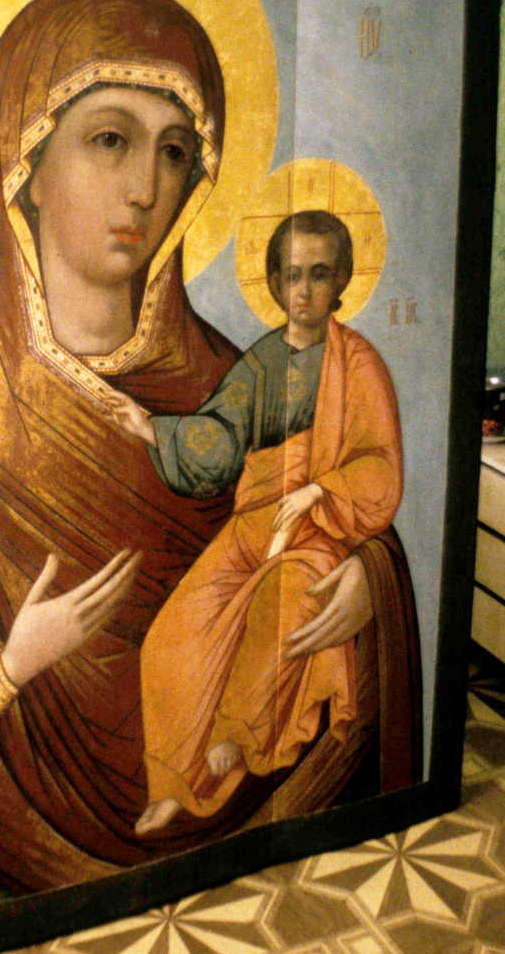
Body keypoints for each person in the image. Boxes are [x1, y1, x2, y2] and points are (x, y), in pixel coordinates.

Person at [0, 0, 422, 943]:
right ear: (26, 164)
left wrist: (371, 577)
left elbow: (335, 493)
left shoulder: (239, 382)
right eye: (110, 138)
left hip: (286, 892)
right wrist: (8, 670)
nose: (145, 188)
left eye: (174, 152)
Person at [112, 211, 403, 833]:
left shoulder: (358, 365)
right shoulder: (263, 360)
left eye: (318, 275)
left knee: (285, 600)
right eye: (292, 275)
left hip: (321, 531)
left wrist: (321, 489)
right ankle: (174, 780)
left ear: (341, 280)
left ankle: (238, 735)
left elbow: (380, 466)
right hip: (254, 527)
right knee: (172, 636)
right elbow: (221, 438)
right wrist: (154, 430)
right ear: (273, 282)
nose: (304, 291)